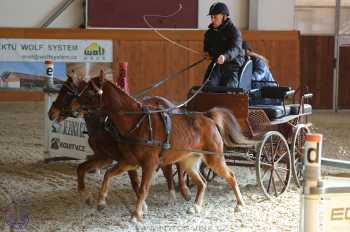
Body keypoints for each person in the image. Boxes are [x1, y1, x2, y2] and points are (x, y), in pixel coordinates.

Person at [203, 2, 245, 88]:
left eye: (215, 17)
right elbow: (207, 49)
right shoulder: (209, 33)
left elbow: (235, 49)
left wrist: (225, 56)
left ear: (224, 17)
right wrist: (207, 53)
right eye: (211, 17)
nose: (212, 20)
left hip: (232, 67)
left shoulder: (234, 31)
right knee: (207, 87)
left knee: (229, 89)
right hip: (217, 66)